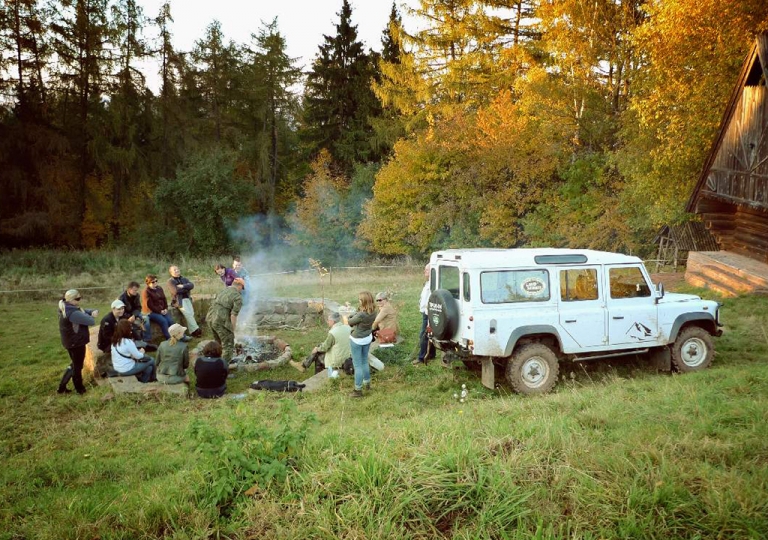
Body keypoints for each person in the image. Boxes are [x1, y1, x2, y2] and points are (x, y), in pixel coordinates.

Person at [57, 289, 98, 394]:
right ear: (72, 299)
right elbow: (91, 321)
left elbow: (80, 311)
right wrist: (91, 315)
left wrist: (89, 311)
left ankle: (61, 387)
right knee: (78, 366)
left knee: (74, 364)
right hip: (76, 342)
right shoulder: (73, 313)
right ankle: (80, 389)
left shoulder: (65, 307)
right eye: (78, 299)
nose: (79, 301)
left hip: (70, 342)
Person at [206, 278, 244, 363]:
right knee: (228, 346)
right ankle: (223, 368)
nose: (242, 290)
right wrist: (232, 329)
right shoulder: (238, 297)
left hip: (210, 318)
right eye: (242, 287)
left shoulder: (224, 290)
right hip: (220, 321)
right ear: (239, 285)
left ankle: (214, 361)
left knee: (217, 342)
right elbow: (233, 315)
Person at [347, 291, 377, 398]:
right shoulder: (373, 311)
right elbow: (358, 316)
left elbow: (350, 322)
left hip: (357, 340)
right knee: (364, 361)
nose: (358, 301)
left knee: (357, 365)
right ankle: (367, 383)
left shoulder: (361, 314)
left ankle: (358, 390)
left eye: (360, 300)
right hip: (367, 338)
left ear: (363, 301)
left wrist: (348, 316)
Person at [95, 299, 130, 376]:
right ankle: (112, 372)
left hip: (117, 340)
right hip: (106, 344)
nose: (121, 311)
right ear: (113, 309)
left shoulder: (122, 317)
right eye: (119, 309)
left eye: (122, 308)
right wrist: (120, 342)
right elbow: (107, 336)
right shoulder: (107, 320)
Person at [166, 265, 202, 338]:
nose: (177, 270)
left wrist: (182, 286)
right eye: (174, 270)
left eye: (177, 269)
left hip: (187, 298)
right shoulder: (170, 281)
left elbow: (191, 285)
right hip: (178, 301)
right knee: (188, 314)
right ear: (171, 272)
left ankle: (193, 332)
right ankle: (197, 329)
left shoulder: (184, 278)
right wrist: (186, 288)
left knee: (191, 314)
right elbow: (175, 291)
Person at [141, 274, 175, 340]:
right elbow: (149, 305)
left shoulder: (159, 288)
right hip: (151, 312)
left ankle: (179, 336)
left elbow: (164, 299)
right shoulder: (146, 292)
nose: (155, 283)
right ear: (148, 283)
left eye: (156, 281)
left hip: (162, 310)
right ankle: (169, 339)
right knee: (164, 321)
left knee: (170, 321)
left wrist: (165, 308)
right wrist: (160, 311)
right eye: (153, 282)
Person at [414, 263, 435, 365]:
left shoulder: (433, 285)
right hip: (425, 313)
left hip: (428, 314)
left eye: (426, 270)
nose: (424, 272)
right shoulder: (428, 283)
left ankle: (422, 357)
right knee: (430, 334)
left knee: (423, 334)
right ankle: (431, 354)